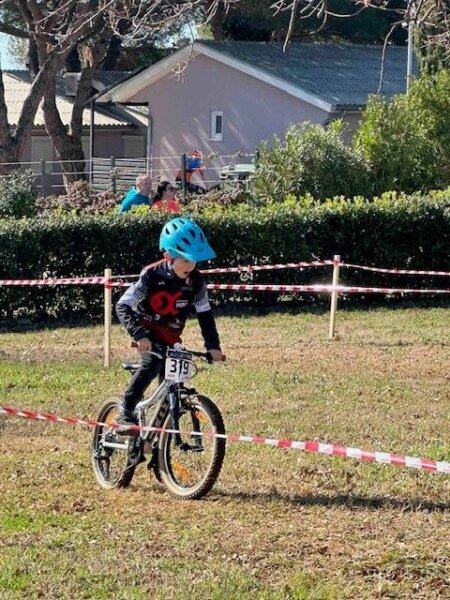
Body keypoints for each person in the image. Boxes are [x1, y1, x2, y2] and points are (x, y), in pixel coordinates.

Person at [114, 217, 224, 431]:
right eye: (185, 259)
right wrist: (139, 335)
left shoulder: (196, 281)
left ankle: (159, 439)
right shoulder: (151, 275)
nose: (190, 266)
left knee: (174, 384)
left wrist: (213, 346)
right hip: (146, 333)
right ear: (168, 256)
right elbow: (123, 305)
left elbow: (205, 314)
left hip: (171, 337)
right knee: (151, 364)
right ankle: (125, 411)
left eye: (194, 260)